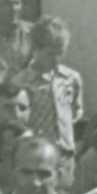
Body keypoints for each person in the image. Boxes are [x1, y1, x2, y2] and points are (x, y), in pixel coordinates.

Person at [20, 17, 84, 159]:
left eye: (60, 53)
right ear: (36, 49)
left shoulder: (71, 78)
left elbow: (75, 111)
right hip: (37, 154)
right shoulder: (21, 82)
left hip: (66, 153)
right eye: (50, 54)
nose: (56, 59)